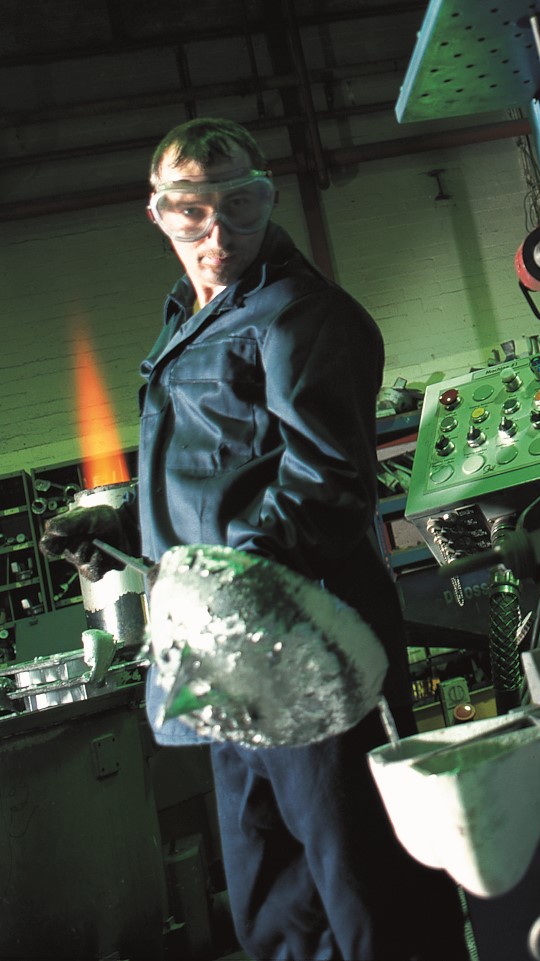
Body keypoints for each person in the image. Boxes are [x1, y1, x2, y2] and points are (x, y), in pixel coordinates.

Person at [41, 117, 467, 960]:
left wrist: (228, 575)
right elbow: (215, 475)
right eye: (192, 213)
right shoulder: (187, 320)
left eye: (241, 205)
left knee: (362, 877)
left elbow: (326, 483)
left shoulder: (300, 317)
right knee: (271, 889)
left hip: (309, 645)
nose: (218, 233)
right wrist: (122, 520)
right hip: (223, 652)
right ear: (159, 216)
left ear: (267, 200)